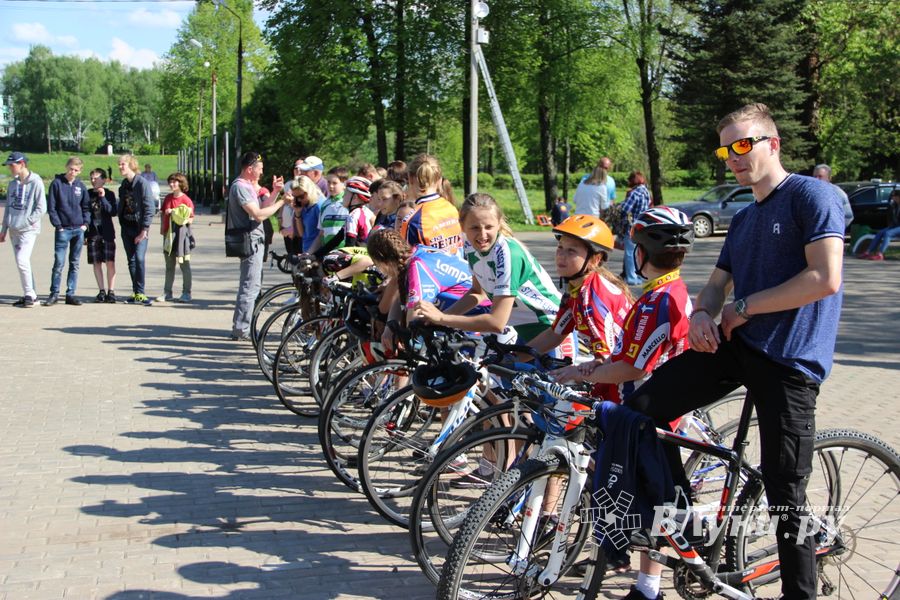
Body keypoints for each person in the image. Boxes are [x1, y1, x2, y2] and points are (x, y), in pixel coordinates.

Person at [622, 103, 844, 600]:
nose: (733, 158)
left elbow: (824, 279)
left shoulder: (814, 197)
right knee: (638, 414)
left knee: (786, 493)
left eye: (743, 145)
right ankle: (688, 527)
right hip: (735, 346)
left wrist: (744, 306)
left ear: (773, 143)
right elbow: (716, 287)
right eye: (726, 150)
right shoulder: (744, 219)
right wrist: (703, 313)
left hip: (790, 360)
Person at [412, 193, 561, 345]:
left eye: (489, 227)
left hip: (552, 328)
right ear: (462, 226)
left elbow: (496, 322)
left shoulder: (508, 253)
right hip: (524, 331)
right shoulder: (470, 246)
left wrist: (442, 318)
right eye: (475, 227)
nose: (482, 235)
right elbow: (478, 293)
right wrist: (438, 319)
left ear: (498, 224)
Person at [528, 214, 633, 370]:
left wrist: (574, 372)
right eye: (560, 247)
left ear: (595, 260)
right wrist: (511, 355)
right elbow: (555, 335)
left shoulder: (592, 298)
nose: (561, 256)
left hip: (625, 375)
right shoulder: (576, 291)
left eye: (571, 251)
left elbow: (605, 361)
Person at [228, 151, 287, 341]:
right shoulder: (241, 187)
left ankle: (242, 326)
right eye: (259, 169)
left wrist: (276, 192)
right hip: (250, 241)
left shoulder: (248, 186)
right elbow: (259, 215)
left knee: (253, 284)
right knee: (250, 286)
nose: (262, 173)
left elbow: (263, 206)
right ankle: (241, 329)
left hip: (255, 240)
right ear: (249, 169)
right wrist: (281, 203)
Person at [0, 151, 46, 308]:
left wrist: (27, 221)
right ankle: (30, 294)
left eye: (12, 165)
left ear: (22, 164)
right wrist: (4, 228)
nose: (10, 168)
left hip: (28, 229)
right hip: (13, 229)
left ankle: (29, 295)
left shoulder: (36, 181)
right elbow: (8, 208)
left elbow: (41, 208)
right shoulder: (12, 184)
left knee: (22, 260)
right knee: (22, 262)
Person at [45, 157, 90, 306]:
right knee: (59, 262)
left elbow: (86, 207)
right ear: (66, 167)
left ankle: (70, 293)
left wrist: (85, 224)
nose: (73, 172)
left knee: (75, 263)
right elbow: (51, 207)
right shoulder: (57, 184)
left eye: (76, 170)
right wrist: (58, 226)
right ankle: (54, 293)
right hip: (63, 229)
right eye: (71, 169)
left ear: (80, 171)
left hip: (78, 229)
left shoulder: (80, 186)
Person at [399, 154, 462, 253]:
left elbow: (406, 259)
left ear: (410, 179)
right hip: (456, 267)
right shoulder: (452, 208)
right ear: (439, 180)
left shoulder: (412, 220)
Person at [117, 154, 156, 304]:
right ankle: (136, 292)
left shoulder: (142, 183)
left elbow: (149, 207)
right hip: (127, 226)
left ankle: (141, 292)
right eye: (119, 164)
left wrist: (144, 230)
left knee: (139, 258)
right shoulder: (123, 185)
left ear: (131, 165)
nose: (120, 167)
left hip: (140, 228)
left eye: (123, 164)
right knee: (131, 260)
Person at [157, 172, 194, 303]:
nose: (172, 184)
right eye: (170, 182)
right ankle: (167, 292)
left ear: (181, 183)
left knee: (184, 264)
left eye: (174, 182)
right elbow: (162, 214)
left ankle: (186, 293)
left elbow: (190, 219)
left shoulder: (186, 200)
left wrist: (175, 212)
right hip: (168, 235)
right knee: (169, 265)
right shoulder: (168, 198)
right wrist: (163, 228)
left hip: (181, 236)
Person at [86, 168, 118, 303]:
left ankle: (111, 291)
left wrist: (103, 197)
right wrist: (85, 234)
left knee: (110, 262)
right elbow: (85, 214)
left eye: (96, 178)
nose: (93, 181)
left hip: (107, 233)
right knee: (96, 262)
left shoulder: (110, 194)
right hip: (93, 233)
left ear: (104, 180)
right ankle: (101, 291)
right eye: (92, 178)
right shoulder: (87, 194)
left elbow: (112, 211)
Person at [620, 171, 652, 285]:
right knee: (638, 253)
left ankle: (631, 278)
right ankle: (639, 276)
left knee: (630, 253)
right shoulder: (646, 192)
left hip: (631, 226)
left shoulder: (635, 193)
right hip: (642, 226)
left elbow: (625, 209)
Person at [859, 188, 900, 260]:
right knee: (880, 233)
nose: (894, 199)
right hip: (895, 226)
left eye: (896, 197)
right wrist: (891, 225)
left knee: (888, 233)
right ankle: (868, 252)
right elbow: (891, 218)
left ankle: (880, 254)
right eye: (893, 198)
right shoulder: (894, 206)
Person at [812, 163, 853, 230]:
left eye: (820, 176)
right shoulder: (808, 193)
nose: (816, 179)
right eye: (814, 176)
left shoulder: (838, 193)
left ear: (829, 178)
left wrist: (834, 231)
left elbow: (848, 216)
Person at [290, 175, 323, 253]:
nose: (298, 200)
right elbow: (303, 234)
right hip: (307, 249)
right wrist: (298, 214)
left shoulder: (319, 206)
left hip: (318, 251)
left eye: (301, 196)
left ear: (310, 191)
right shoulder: (305, 206)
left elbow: (322, 234)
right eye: (295, 197)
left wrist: (311, 253)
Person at [343, 176, 375, 245]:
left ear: (355, 197)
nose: (343, 196)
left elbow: (350, 245)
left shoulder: (353, 216)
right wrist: (316, 255)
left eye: (345, 194)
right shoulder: (362, 211)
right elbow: (336, 239)